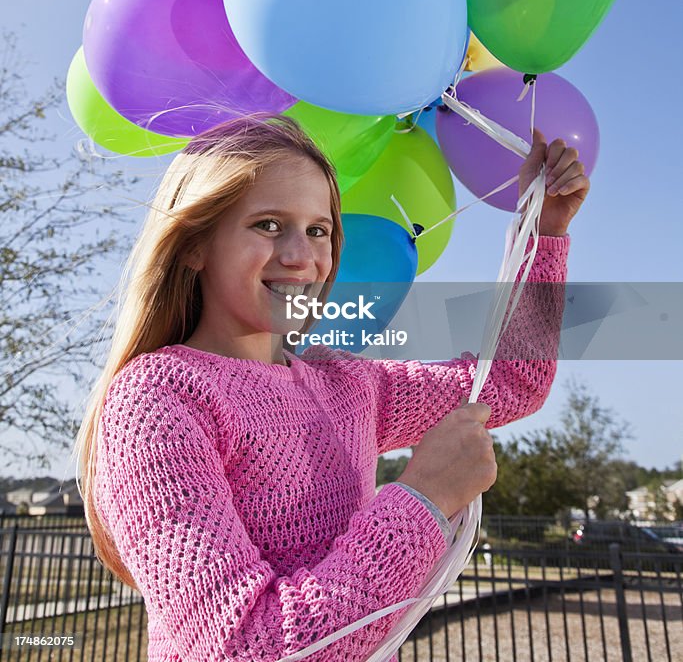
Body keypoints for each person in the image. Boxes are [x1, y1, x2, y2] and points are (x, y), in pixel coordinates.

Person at [75, 112, 589, 662]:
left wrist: (545, 234)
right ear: (196, 245)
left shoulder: (347, 384)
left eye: (319, 230)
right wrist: (424, 499)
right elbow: (243, 647)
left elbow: (513, 380)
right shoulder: (157, 399)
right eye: (268, 224)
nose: (301, 257)